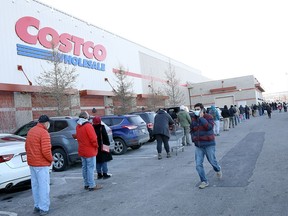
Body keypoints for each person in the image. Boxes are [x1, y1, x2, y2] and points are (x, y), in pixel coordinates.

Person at [25, 115, 53, 215]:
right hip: (41, 164)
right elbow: (46, 150)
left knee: (35, 185)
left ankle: (37, 205)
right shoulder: (44, 132)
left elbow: (26, 147)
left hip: (32, 163)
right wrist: (51, 159)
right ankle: (44, 207)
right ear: (45, 123)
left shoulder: (31, 131)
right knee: (44, 186)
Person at [190, 103, 222, 189]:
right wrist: (194, 138)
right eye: (195, 109)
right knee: (198, 164)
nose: (196, 111)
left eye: (198, 109)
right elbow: (192, 130)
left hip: (209, 144)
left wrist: (201, 118)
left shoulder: (208, 117)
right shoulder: (193, 119)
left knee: (212, 161)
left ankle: (218, 169)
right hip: (199, 145)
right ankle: (204, 181)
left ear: (202, 109)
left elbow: (209, 127)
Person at [76, 111, 102, 191]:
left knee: (85, 168)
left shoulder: (78, 126)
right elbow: (93, 138)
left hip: (82, 150)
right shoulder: (88, 126)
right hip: (89, 150)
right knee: (90, 168)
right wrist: (96, 146)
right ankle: (91, 185)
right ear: (85, 117)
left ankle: (86, 183)